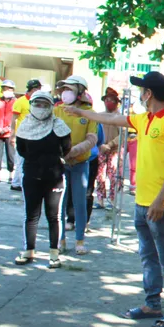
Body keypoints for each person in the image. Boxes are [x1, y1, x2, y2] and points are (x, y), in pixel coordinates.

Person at [62, 71, 164, 327]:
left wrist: (160, 200)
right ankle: (152, 304)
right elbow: (111, 118)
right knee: (147, 256)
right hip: (141, 201)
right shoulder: (144, 119)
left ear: (149, 93)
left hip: (159, 204)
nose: (141, 94)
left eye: (142, 90)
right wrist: (83, 113)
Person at [15, 91, 71, 269]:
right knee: (31, 215)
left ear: (51, 106)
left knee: (53, 216)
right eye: (37, 104)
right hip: (31, 175)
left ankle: (54, 253)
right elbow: (21, 149)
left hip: (54, 177)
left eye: (45, 104)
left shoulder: (59, 125)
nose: (40, 108)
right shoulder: (24, 126)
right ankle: (28, 250)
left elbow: (66, 147)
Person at [53, 75, 99, 256]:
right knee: (59, 204)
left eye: (70, 89)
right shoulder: (58, 110)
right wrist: (60, 152)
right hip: (60, 163)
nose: (66, 93)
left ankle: (80, 240)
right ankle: (60, 239)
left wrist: (75, 151)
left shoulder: (89, 112)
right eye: (64, 89)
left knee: (80, 203)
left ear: (80, 91)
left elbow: (92, 138)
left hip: (80, 163)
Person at [10, 79, 42, 192]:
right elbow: (14, 119)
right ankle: (17, 183)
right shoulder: (20, 101)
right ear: (33, 89)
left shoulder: (38, 102)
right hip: (22, 136)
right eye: (38, 89)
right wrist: (12, 135)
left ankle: (24, 182)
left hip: (34, 136)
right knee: (20, 160)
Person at [95, 88, 123, 209]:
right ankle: (100, 199)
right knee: (99, 175)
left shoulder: (120, 117)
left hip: (114, 151)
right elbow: (94, 132)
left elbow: (122, 135)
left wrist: (110, 144)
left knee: (114, 177)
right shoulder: (99, 116)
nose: (109, 102)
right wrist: (99, 144)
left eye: (112, 100)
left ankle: (113, 200)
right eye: (107, 100)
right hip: (101, 150)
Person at [0, 79, 17, 184]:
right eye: (5, 88)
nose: (7, 90)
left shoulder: (15, 102)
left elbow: (15, 117)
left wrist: (7, 128)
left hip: (9, 133)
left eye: (10, 88)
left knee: (10, 155)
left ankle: (11, 176)